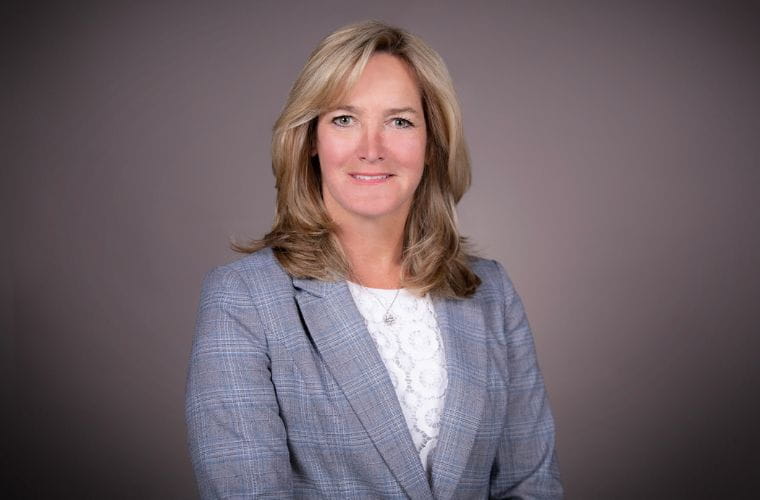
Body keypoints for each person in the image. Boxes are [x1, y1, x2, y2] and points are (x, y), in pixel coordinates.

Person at [185, 20, 563, 499]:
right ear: (311, 141)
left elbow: (530, 485)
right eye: (344, 119)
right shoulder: (244, 299)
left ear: (432, 145)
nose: (371, 149)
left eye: (400, 121)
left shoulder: (490, 293)